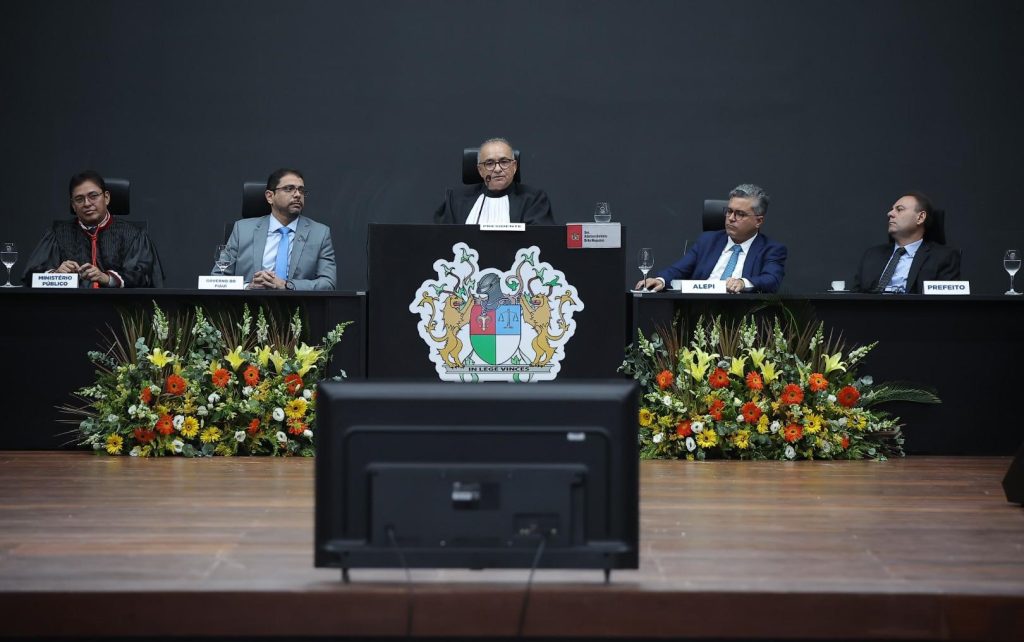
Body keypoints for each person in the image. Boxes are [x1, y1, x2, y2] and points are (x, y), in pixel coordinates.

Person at [21, 170, 163, 288]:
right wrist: (55, 275)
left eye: (93, 196)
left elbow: (144, 276)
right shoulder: (57, 234)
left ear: (106, 197)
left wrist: (106, 278)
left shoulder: (133, 235)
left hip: (120, 313)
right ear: (73, 205)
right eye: (79, 199)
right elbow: (30, 275)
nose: (87, 203)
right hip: (69, 311)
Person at [637, 183, 787, 294]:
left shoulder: (771, 249)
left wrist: (743, 282)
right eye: (729, 211)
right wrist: (660, 280)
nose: (731, 218)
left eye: (740, 214)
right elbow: (678, 270)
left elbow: (771, 280)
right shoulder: (707, 241)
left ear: (758, 221)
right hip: (698, 311)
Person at [219, 168, 336, 290]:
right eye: (289, 189)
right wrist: (248, 287)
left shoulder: (320, 233)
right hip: (248, 306)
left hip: (298, 306)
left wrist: (286, 285)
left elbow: (328, 284)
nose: (297, 195)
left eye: (301, 190)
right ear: (270, 196)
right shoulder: (242, 230)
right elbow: (218, 278)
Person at [851, 191, 960, 293]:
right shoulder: (872, 256)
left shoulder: (944, 257)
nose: (889, 213)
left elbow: (945, 305)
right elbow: (854, 299)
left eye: (899, 209)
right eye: (891, 209)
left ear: (920, 217)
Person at [433, 137, 555, 225]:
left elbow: (541, 243)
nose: (497, 169)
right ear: (480, 170)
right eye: (489, 163)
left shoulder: (533, 200)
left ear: (514, 167)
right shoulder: (455, 199)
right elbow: (442, 241)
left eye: (504, 162)